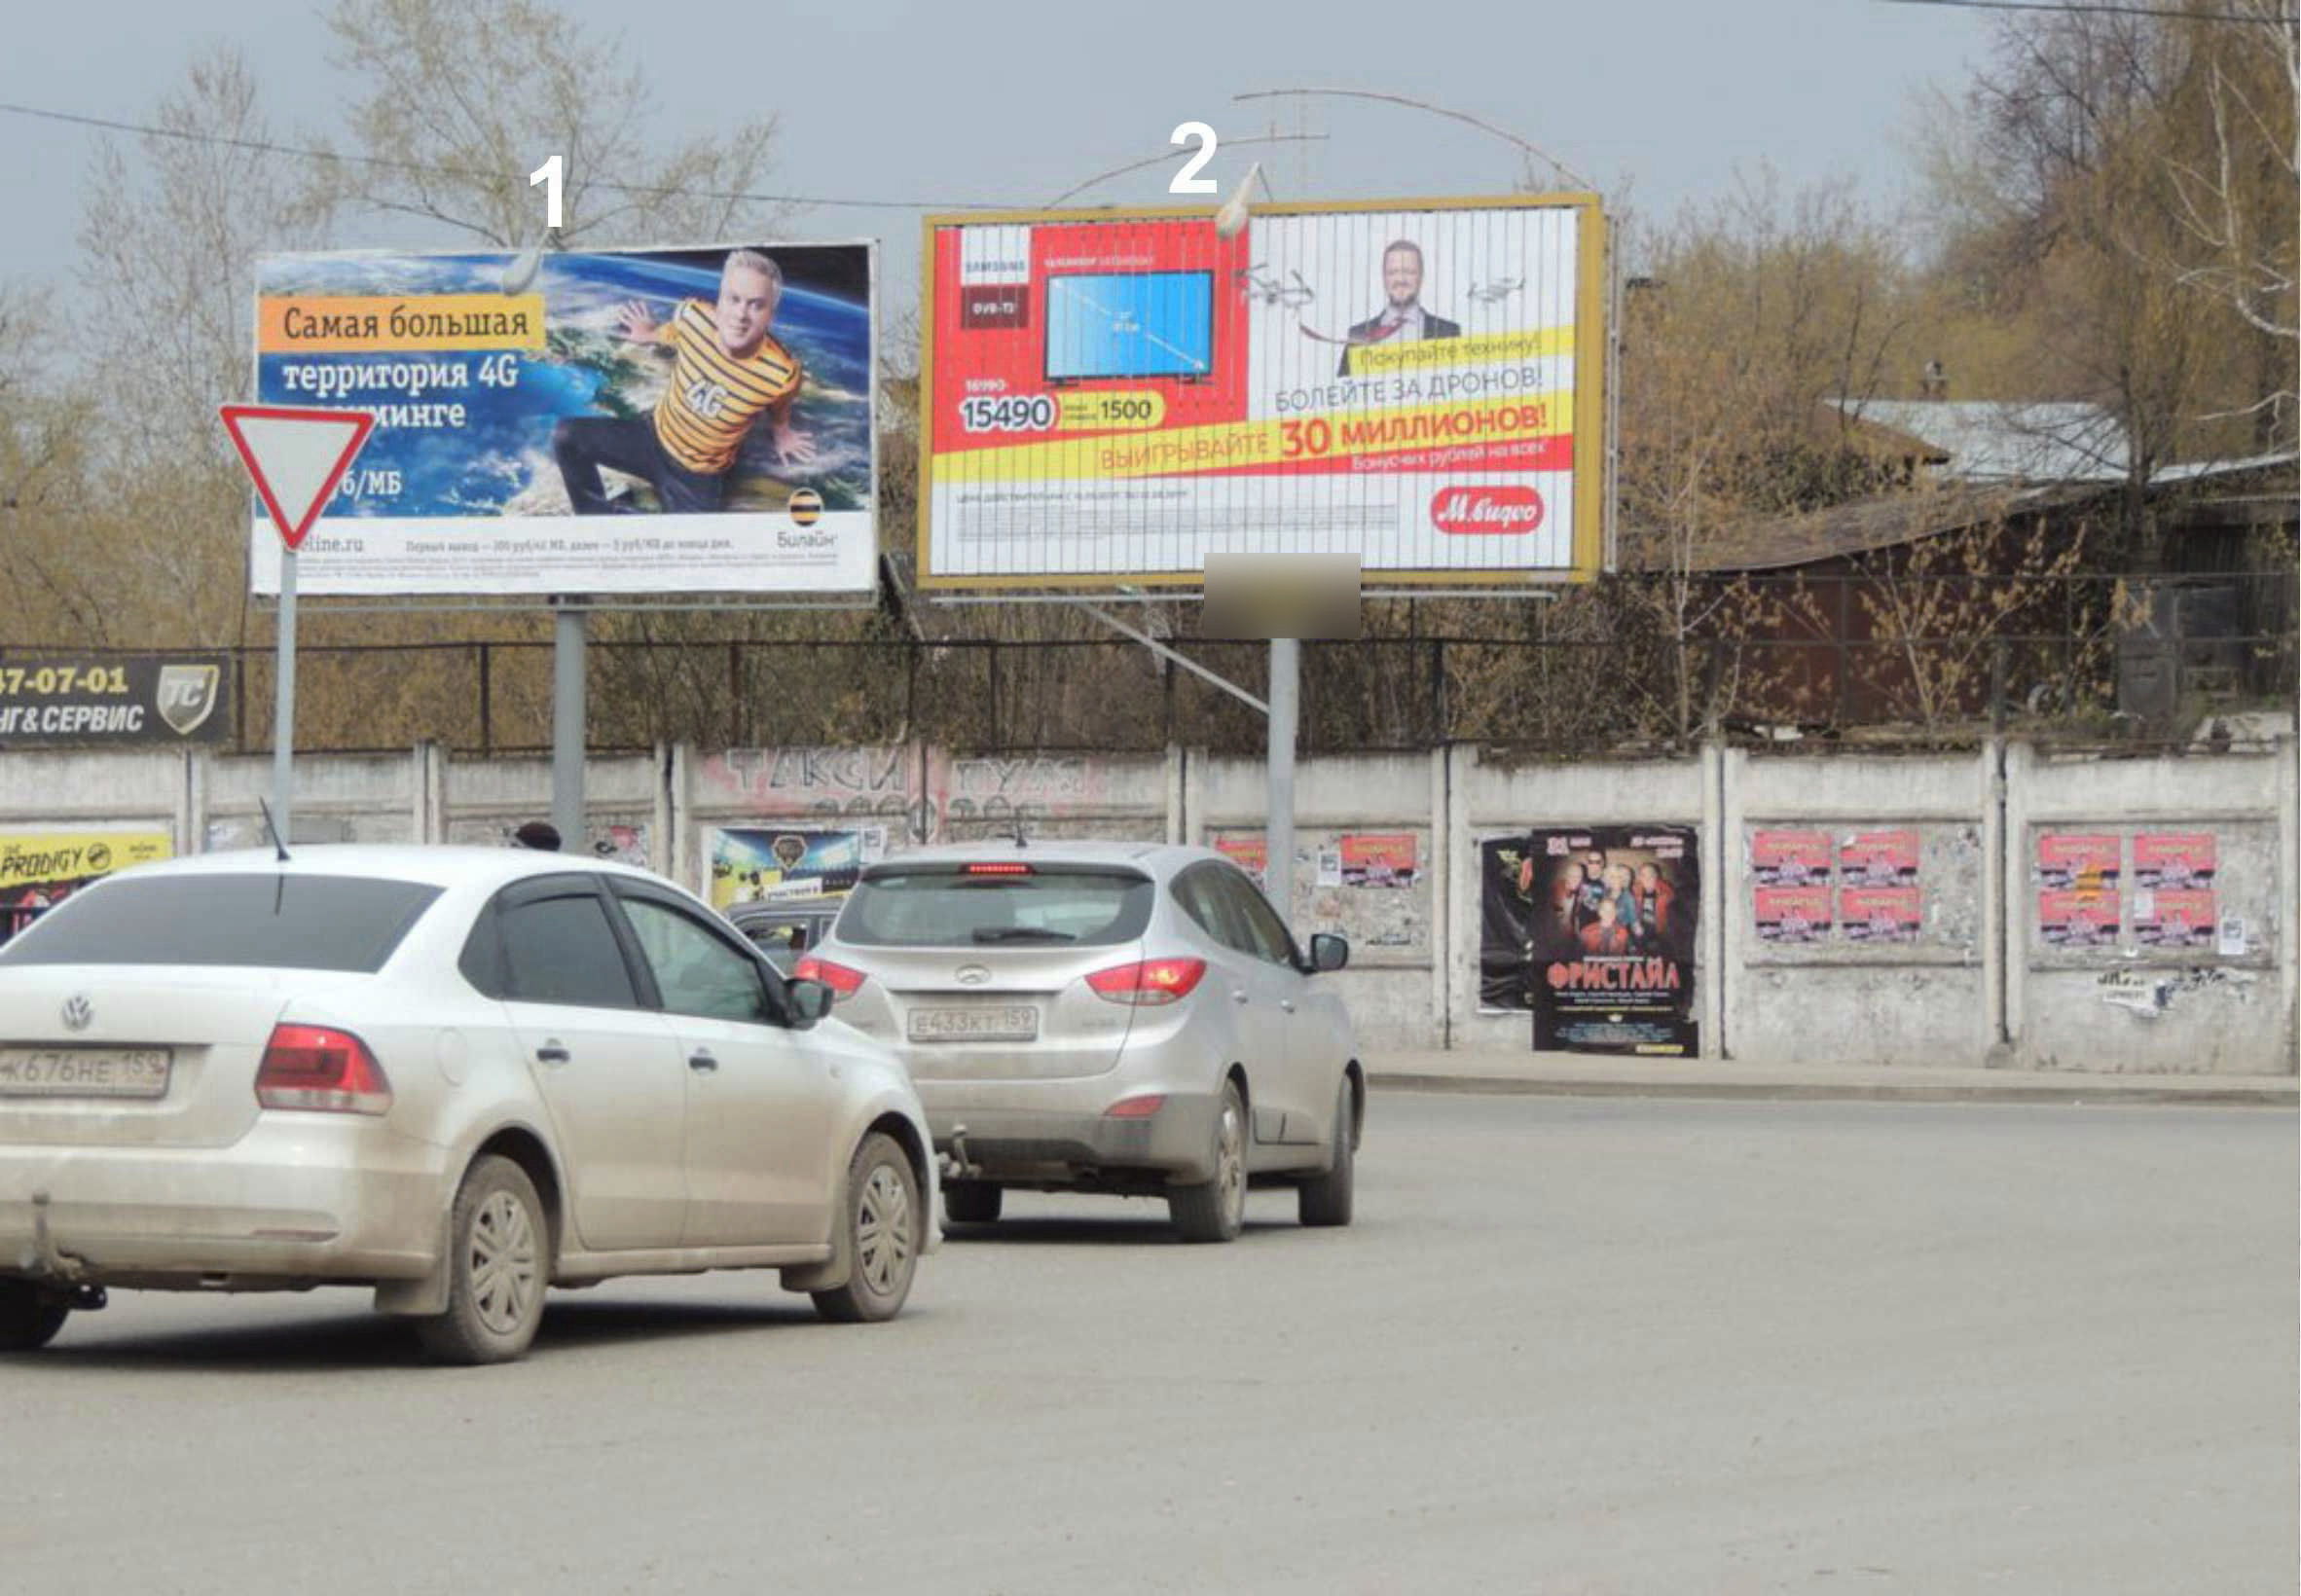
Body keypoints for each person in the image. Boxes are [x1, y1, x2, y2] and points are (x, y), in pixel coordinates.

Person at [553, 249, 818, 515]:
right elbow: (671, 333)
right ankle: (596, 514)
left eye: (756, 305)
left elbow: (780, 404)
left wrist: (782, 433)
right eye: (733, 299)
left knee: (693, 536)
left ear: (771, 315)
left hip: (696, 477)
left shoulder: (781, 373)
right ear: (720, 300)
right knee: (567, 437)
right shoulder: (692, 316)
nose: (740, 314)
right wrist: (649, 333)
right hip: (651, 438)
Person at [1336, 239, 1462, 376]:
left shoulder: (1449, 332)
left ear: (1421, 276)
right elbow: (1344, 387)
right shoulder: (1358, 334)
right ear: (1384, 277)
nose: (1400, 280)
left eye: (1409, 272)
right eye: (1392, 272)